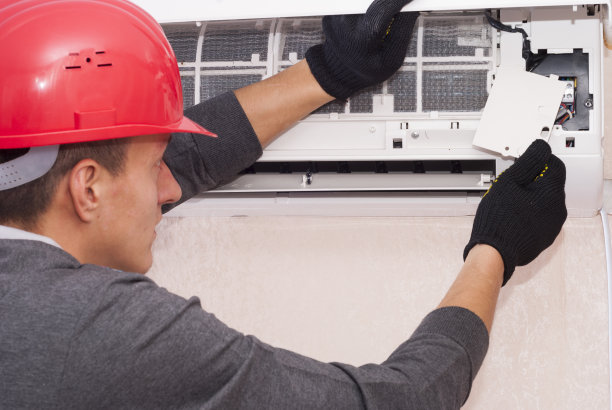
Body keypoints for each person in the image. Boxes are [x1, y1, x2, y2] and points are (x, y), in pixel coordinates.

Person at [0, 0, 566, 408]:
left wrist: (329, 74)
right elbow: (394, 403)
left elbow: (183, 163)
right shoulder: (113, 333)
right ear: (88, 189)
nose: (168, 192)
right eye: (153, 168)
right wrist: (494, 250)